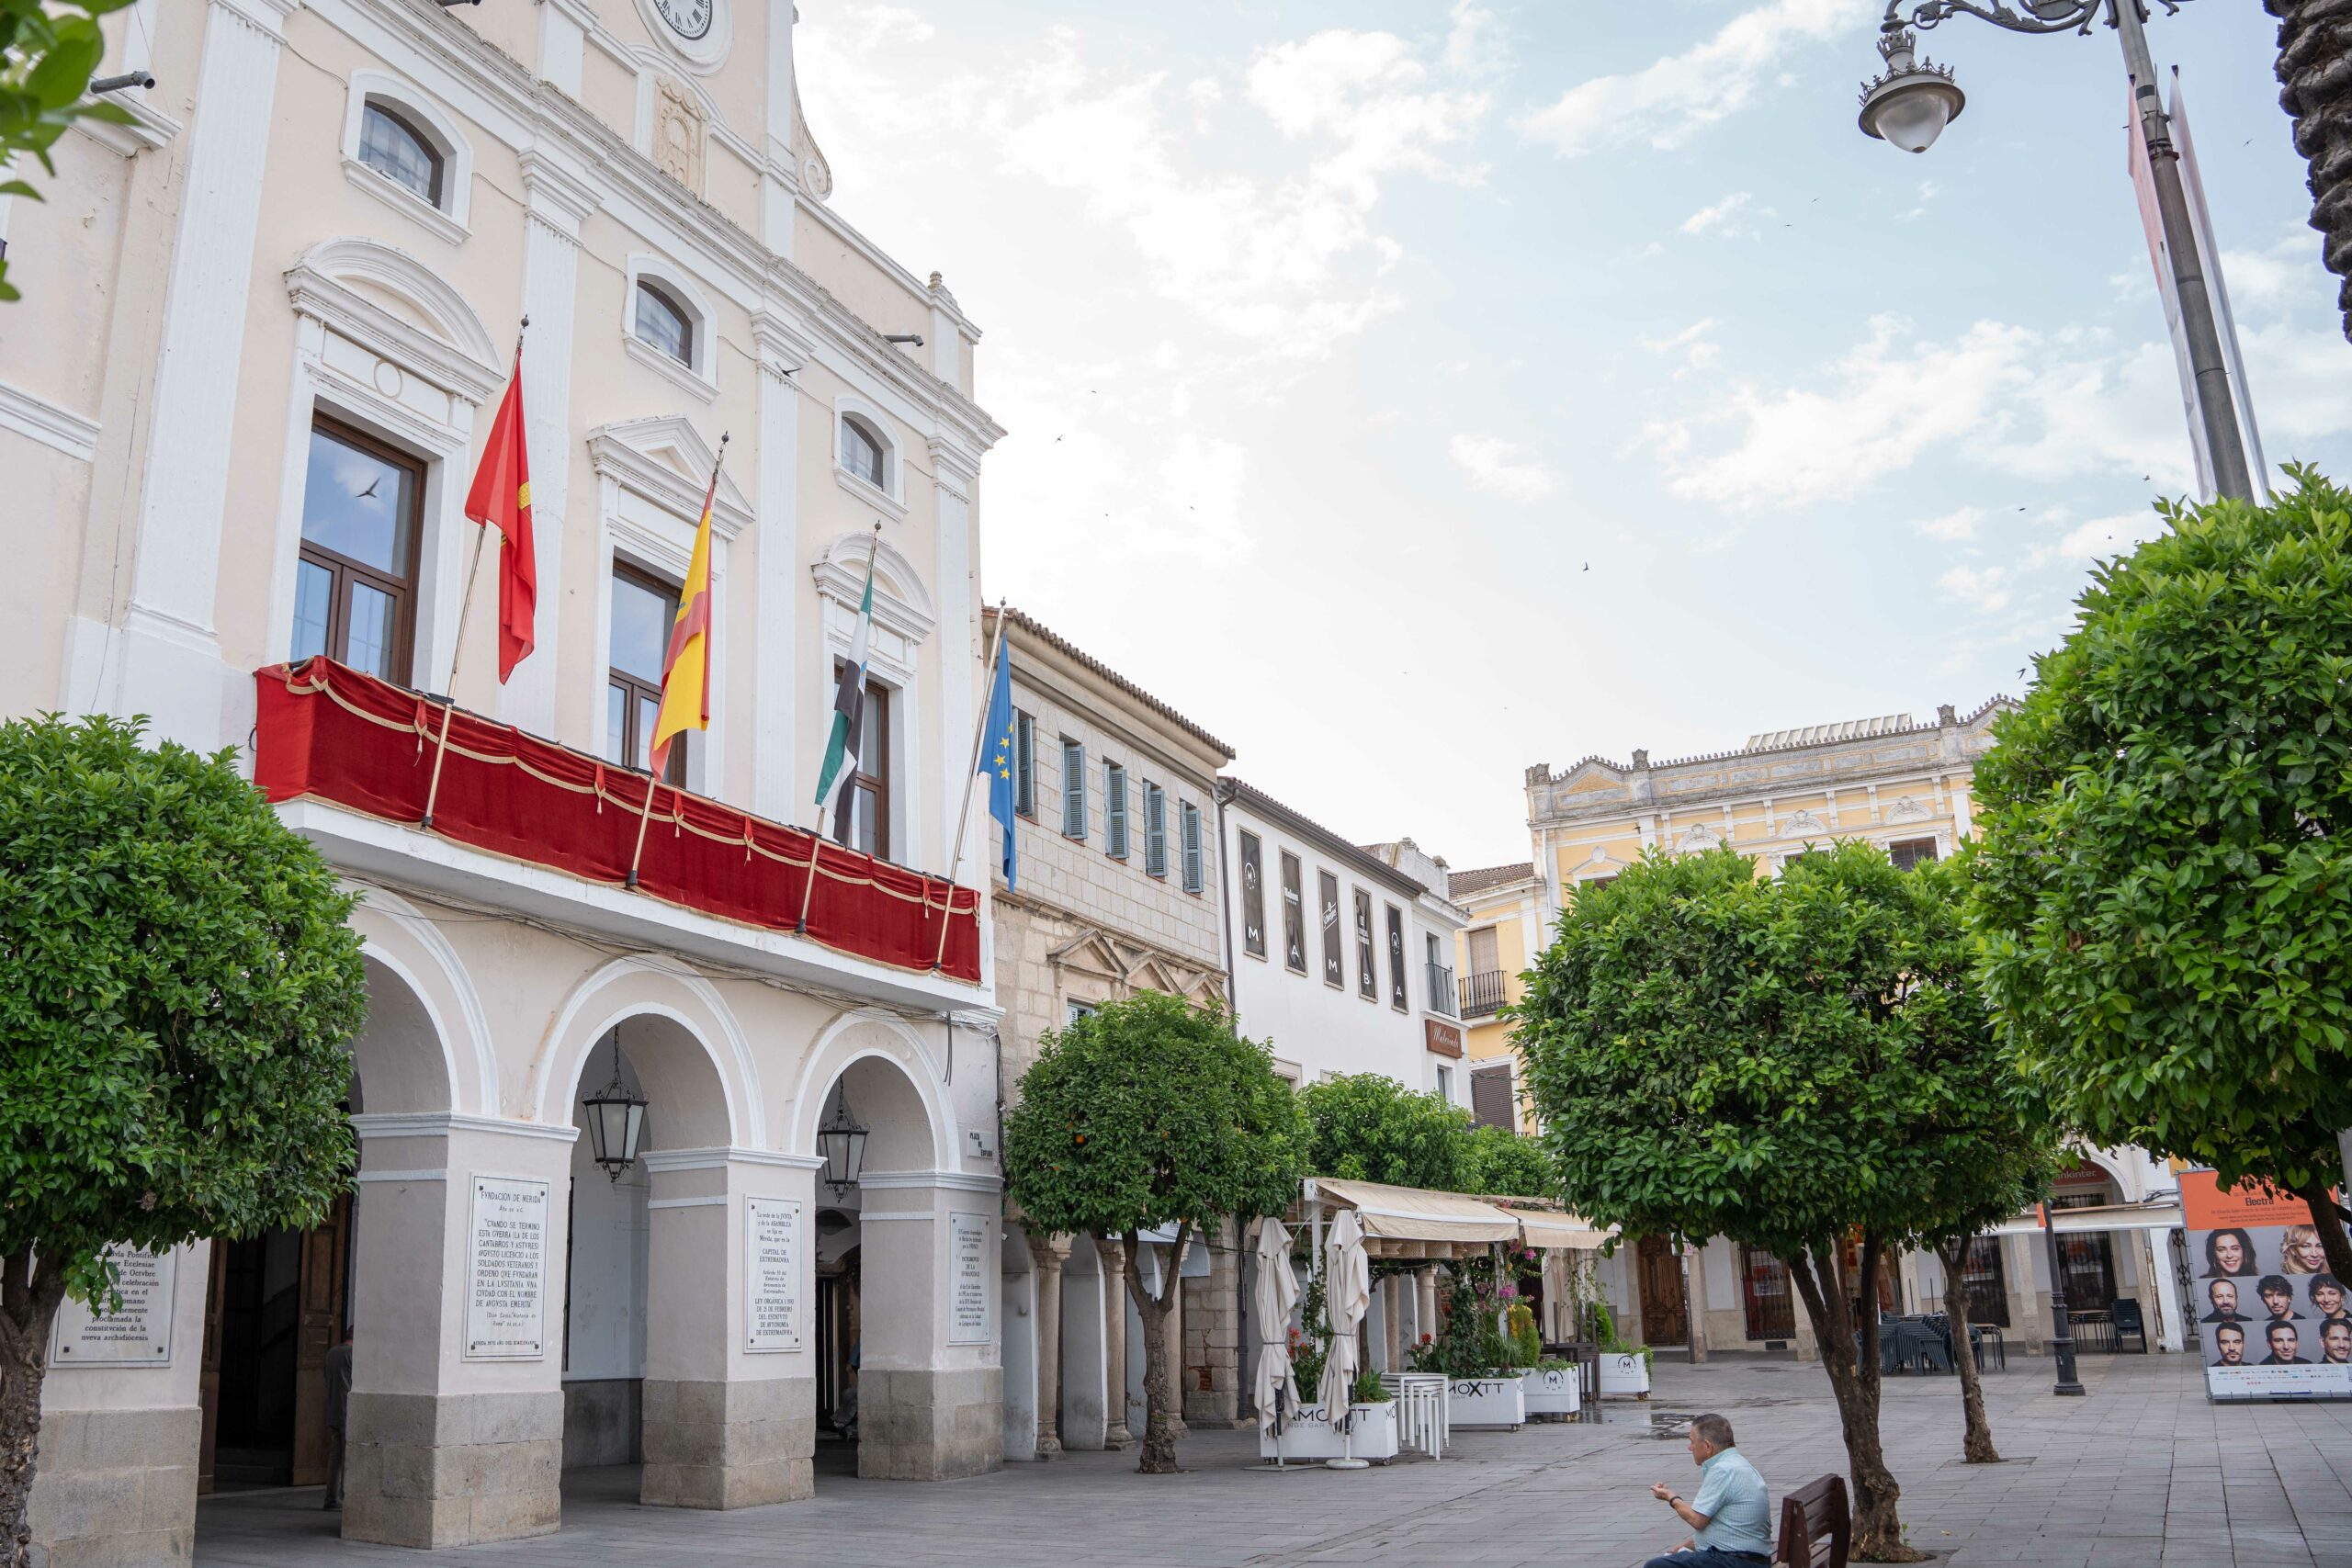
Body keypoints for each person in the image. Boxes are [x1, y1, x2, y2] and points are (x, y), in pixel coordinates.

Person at [1645, 1412, 1772, 1568]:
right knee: (1676, 1556)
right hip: (1748, 1557)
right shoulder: (1737, 1463)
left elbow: (1697, 1520)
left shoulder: (1723, 1470)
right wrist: (1691, 1544)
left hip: (1738, 1561)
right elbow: (1727, 1525)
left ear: (1707, 1446)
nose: (1689, 1448)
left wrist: (1671, 1497)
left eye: (1692, 1442)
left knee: (1656, 1566)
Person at [322, 1334, 354, 1510]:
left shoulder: (331, 1353)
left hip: (333, 1410)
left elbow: (325, 1379)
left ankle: (331, 1497)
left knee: (335, 1455)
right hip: (347, 1411)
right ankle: (345, 1496)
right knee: (348, 1456)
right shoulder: (352, 1354)